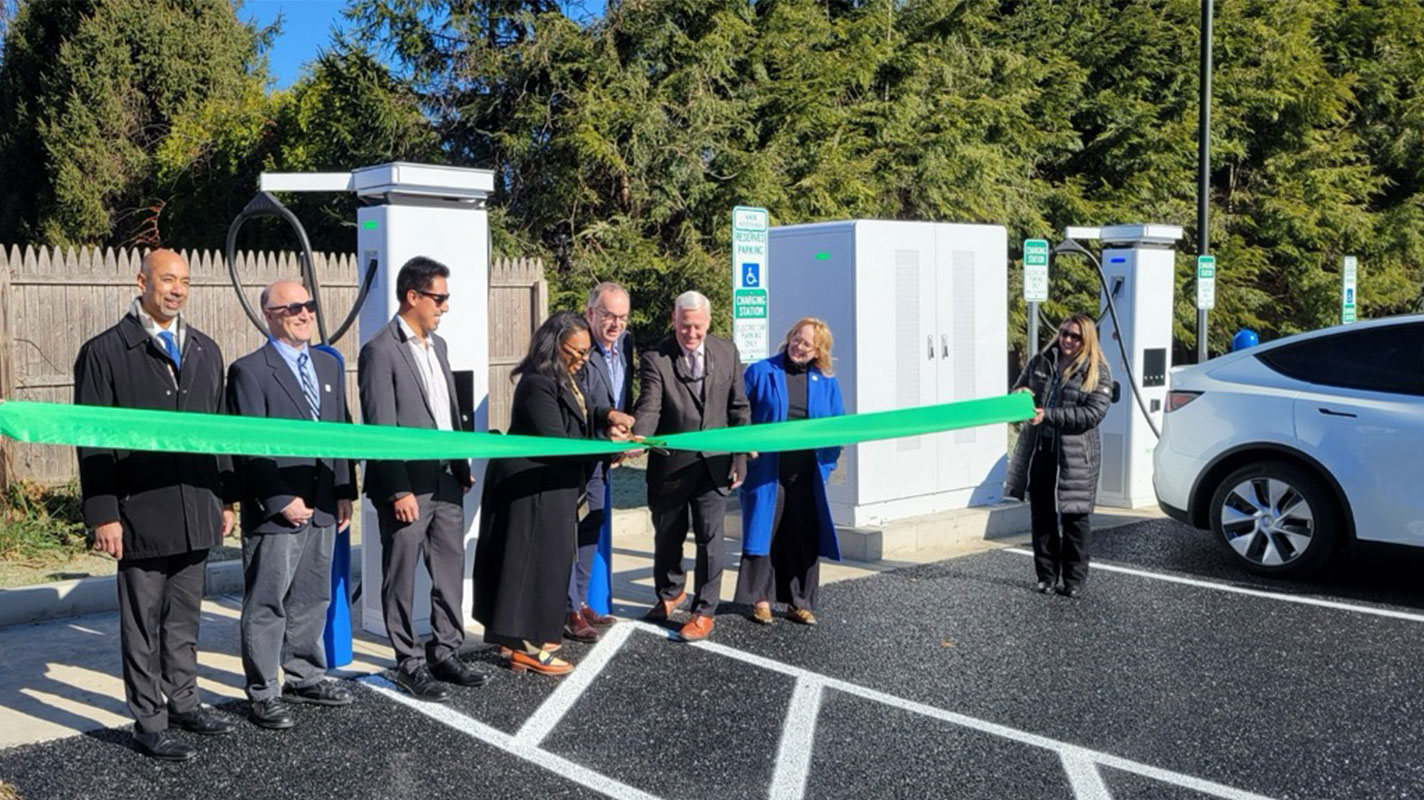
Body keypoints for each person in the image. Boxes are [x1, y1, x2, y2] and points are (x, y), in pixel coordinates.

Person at [73, 249, 238, 761]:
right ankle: (149, 720)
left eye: (185, 281)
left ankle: (184, 701)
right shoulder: (105, 352)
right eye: (168, 279)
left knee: (185, 617)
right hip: (139, 511)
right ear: (141, 281)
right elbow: (92, 439)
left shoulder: (207, 351)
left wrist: (226, 496)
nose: (177, 289)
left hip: (198, 508)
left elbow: (220, 433)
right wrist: (103, 512)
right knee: (143, 623)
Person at [358, 256, 489, 701]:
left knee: (449, 569)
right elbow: (381, 428)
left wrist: (461, 461)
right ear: (412, 297)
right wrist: (398, 488)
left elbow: (448, 413)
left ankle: (445, 650)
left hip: (446, 479)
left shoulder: (440, 346)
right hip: (407, 486)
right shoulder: (379, 351)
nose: (445, 307)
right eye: (440, 298)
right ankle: (408, 662)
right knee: (401, 575)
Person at [227, 280, 357, 730]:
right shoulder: (249, 370)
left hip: (323, 503)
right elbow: (248, 445)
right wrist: (280, 500)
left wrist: (344, 491)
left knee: (312, 597)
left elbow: (342, 429)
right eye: (293, 308)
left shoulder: (328, 364)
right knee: (268, 601)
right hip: (278, 509)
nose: (305, 314)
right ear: (270, 316)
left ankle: (305, 675)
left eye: (308, 306)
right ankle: (264, 690)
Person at [474, 311, 632, 674]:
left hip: (551, 490)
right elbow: (558, 442)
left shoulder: (560, 379)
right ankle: (525, 646)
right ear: (552, 345)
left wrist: (607, 415)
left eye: (585, 354)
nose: (580, 361)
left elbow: (579, 413)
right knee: (533, 568)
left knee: (544, 566)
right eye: (573, 353)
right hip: (533, 492)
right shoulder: (537, 383)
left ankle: (524, 641)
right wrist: (609, 446)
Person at [631, 290, 751, 641]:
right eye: (685, 327)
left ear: (708, 323)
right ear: (674, 320)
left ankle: (704, 610)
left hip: (715, 466)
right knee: (667, 536)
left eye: (697, 327)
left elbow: (739, 409)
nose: (691, 334)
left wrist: (740, 457)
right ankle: (670, 594)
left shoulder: (727, 352)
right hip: (670, 467)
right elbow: (650, 405)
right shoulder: (656, 358)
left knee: (711, 538)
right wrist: (639, 438)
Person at [736, 318, 845, 626]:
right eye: (796, 338)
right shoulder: (761, 371)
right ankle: (760, 600)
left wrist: (827, 465)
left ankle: (799, 602)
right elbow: (740, 413)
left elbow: (837, 427)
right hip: (767, 471)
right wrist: (744, 451)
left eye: (806, 344)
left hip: (806, 474)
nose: (798, 346)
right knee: (763, 534)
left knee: (802, 535)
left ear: (818, 350)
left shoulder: (826, 381)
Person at [1004, 313, 1113, 598]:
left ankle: (1074, 580)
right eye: (1064, 333)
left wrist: (1048, 415)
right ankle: (1046, 577)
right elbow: (1019, 390)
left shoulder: (1097, 370)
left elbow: (1092, 414)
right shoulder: (1041, 361)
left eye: (1074, 336)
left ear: (1086, 339)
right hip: (1040, 447)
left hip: (1076, 452)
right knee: (1041, 514)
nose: (1067, 340)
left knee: (1075, 516)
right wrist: (1021, 394)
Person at [563, 282, 636, 643]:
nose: (616, 324)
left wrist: (624, 438)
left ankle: (580, 601)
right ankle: (568, 609)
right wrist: (606, 430)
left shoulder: (625, 345)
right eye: (609, 316)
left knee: (591, 528)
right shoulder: (577, 349)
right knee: (571, 534)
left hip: (603, 459)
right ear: (590, 312)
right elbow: (574, 408)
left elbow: (624, 397)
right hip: (576, 458)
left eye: (622, 317)